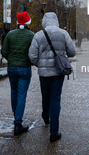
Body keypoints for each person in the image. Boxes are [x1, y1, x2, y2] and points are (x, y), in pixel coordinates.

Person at [28, 12, 76, 142]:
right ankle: (54, 132)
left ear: (44, 21)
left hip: (44, 74)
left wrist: (41, 65)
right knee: (55, 98)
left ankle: (45, 117)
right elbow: (72, 52)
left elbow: (32, 56)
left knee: (45, 96)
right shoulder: (63, 33)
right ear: (56, 20)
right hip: (58, 72)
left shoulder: (38, 35)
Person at [1, 11, 34, 135]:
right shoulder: (32, 35)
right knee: (22, 94)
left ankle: (16, 115)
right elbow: (34, 52)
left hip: (11, 68)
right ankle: (18, 123)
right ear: (27, 22)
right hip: (25, 68)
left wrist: (11, 59)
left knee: (13, 92)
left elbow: (3, 51)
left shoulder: (10, 34)